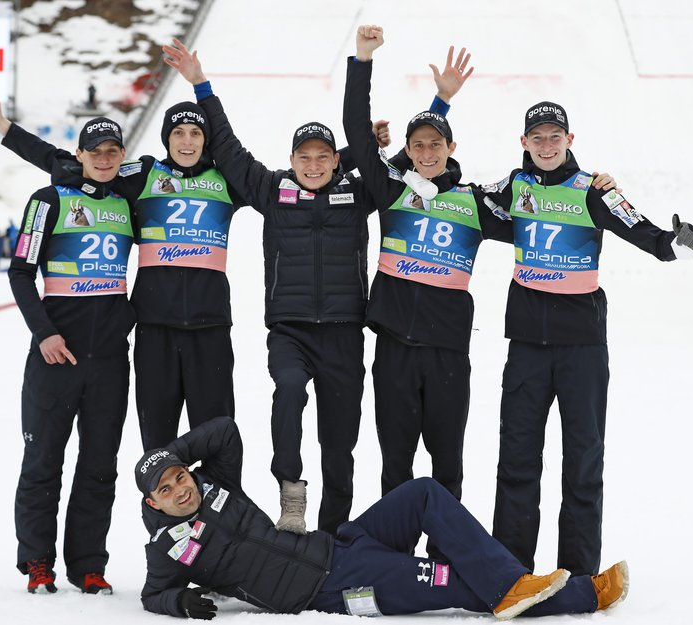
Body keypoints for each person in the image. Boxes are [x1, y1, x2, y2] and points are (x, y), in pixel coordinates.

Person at [159, 38, 467, 535]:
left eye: (324, 157)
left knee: (340, 441)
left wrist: (439, 103)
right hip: (291, 331)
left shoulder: (361, 190)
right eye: (305, 157)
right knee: (289, 389)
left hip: (345, 332)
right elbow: (228, 146)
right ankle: (291, 490)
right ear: (292, 160)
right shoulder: (269, 189)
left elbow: (418, 158)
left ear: (335, 161)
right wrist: (201, 86)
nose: (314, 165)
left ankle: (333, 534)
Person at [480, 101, 693, 576]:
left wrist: (676, 242)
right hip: (525, 346)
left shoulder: (594, 191)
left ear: (569, 140)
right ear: (523, 143)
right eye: (536, 137)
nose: (545, 145)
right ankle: (509, 572)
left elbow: (645, 234)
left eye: (554, 137)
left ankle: (578, 575)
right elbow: (462, 196)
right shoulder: (513, 186)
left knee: (582, 460)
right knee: (517, 459)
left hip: (581, 347)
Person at [135, 417, 629, 620]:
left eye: (180, 476)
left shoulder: (216, 485)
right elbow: (152, 593)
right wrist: (181, 603)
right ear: (153, 504)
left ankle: (511, 584)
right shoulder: (167, 546)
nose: (181, 489)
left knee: (422, 493)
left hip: (339, 544)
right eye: (167, 489)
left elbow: (223, 431)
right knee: (453, 583)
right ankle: (584, 593)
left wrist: (166, 455)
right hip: (332, 590)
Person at [0, 95, 242, 453]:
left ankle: (218, 510)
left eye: (196, 132)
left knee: (217, 440)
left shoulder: (225, 179)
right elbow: (71, 164)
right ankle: (161, 510)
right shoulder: (146, 174)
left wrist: (340, 162)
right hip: (155, 329)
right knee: (158, 450)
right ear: (166, 139)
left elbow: (282, 178)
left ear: (206, 138)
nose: (187, 141)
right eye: (178, 132)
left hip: (209, 328)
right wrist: (5, 128)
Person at [342, 26, 518, 543]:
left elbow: (537, 224)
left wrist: (594, 197)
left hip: (446, 354)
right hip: (394, 349)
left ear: (449, 146)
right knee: (395, 464)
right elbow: (356, 131)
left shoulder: (473, 201)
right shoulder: (391, 191)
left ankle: (447, 556)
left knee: (447, 465)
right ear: (409, 151)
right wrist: (362, 60)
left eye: (434, 144)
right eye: (416, 146)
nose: (425, 152)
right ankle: (393, 554)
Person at [7, 115, 136, 595]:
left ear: (121, 156)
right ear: (78, 155)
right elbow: (20, 273)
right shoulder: (48, 201)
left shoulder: (129, 203)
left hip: (108, 361)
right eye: (94, 151)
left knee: (100, 465)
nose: (104, 159)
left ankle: (87, 565)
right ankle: (37, 562)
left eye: (112, 151)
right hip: (55, 356)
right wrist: (44, 333)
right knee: (43, 461)